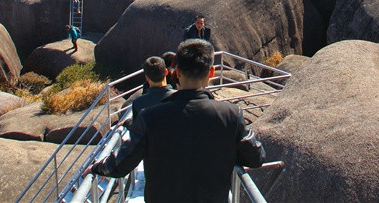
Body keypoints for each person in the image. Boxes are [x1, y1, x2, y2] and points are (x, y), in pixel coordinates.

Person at [87, 39, 265, 202]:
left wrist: (97, 168)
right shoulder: (231, 115)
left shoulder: (149, 117)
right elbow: (256, 157)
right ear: (211, 72)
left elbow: (121, 163)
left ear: (177, 72)